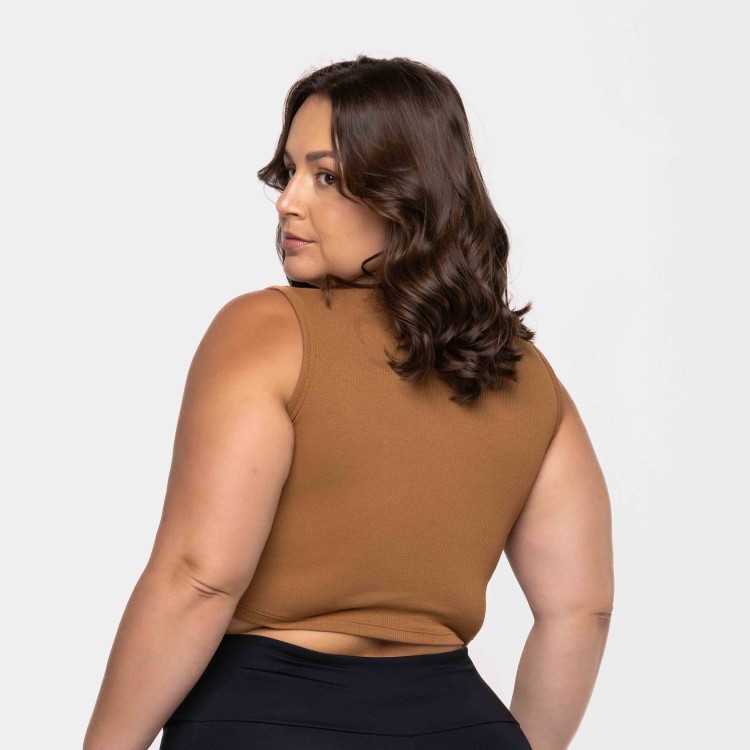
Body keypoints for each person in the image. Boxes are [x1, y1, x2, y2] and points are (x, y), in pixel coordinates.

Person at [84, 55, 614, 750]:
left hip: (268, 720)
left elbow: (200, 580)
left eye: (327, 177)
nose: (288, 201)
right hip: (461, 722)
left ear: (407, 194)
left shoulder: (265, 331)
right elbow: (581, 611)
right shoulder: (524, 373)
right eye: (290, 172)